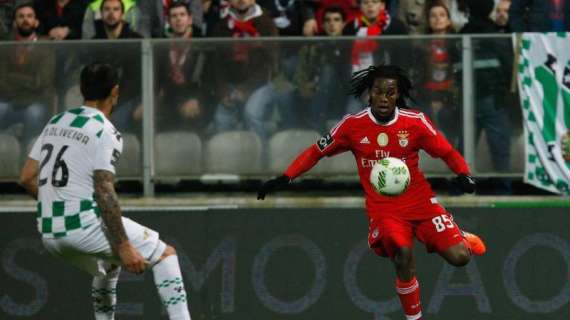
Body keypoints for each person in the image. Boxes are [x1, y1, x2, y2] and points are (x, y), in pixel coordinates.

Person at [257, 65, 486, 320]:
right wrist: (285, 177)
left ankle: (459, 236)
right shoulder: (352, 126)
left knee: (460, 257)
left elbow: (447, 152)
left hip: (421, 203)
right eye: (378, 92)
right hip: (385, 209)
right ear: (370, 94)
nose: (384, 98)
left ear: (398, 95)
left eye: (390, 92)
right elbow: (316, 152)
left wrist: (464, 174)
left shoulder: (415, 123)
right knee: (403, 253)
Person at [19, 62, 192, 320]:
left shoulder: (56, 121)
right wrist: (124, 246)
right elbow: (104, 191)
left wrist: (57, 204)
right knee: (165, 254)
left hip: (49, 232)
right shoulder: (104, 130)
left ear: (81, 89)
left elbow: (26, 177)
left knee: (108, 266)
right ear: (115, 92)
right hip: (81, 227)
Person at [0, 2, 54, 144]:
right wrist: (29, 81)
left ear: (36, 22)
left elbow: (42, 82)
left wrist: (13, 78)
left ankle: (28, 155)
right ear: (14, 22)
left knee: (33, 114)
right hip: (10, 100)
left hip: (37, 101)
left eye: (29, 16)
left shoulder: (47, 45)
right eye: (21, 16)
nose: (25, 20)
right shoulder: (5, 46)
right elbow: (1, 81)